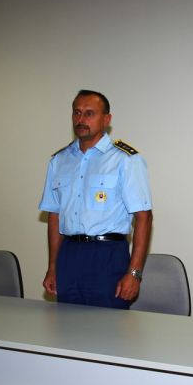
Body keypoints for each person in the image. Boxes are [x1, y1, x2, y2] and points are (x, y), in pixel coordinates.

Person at [39, 89, 153, 309]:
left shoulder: (125, 159)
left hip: (107, 256)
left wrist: (134, 273)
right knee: (67, 324)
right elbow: (54, 216)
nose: (81, 119)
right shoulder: (59, 160)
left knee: (109, 327)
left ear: (106, 119)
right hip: (69, 254)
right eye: (77, 112)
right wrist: (53, 266)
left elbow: (144, 217)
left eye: (89, 113)